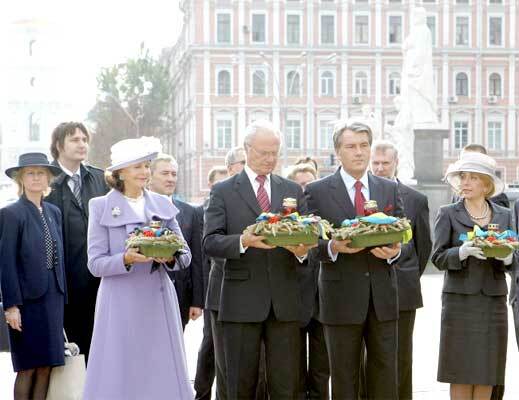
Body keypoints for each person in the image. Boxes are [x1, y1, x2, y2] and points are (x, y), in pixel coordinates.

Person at [203, 120, 314, 399]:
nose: (270, 159)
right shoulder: (224, 191)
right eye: (263, 152)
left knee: (285, 386)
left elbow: (309, 239)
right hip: (240, 302)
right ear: (246, 150)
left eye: (274, 152)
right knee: (239, 384)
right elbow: (210, 242)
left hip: (285, 303)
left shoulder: (292, 190)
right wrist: (243, 241)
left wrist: (302, 252)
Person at [82, 137, 193, 399]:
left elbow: (185, 255)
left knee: (160, 368)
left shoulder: (163, 204)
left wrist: (168, 257)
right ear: (120, 173)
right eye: (137, 167)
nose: (145, 172)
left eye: (146, 166)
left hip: (157, 300)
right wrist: (126, 259)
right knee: (119, 369)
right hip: (119, 302)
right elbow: (95, 263)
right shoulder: (100, 207)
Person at [305, 120, 404, 400]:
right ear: (338, 151)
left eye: (364, 146)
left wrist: (395, 252)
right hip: (340, 299)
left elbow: (404, 237)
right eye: (351, 146)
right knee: (344, 379)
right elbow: (309, 246)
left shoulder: (389, 188)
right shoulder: (317, 191)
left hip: (383, 299)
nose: (359, 152)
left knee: (385, 377)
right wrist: (332, 247)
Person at [431, 151, 516, 400]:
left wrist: (508, 257)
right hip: (460, 303)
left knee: (487, 371)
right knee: (460, 370)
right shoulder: (448, 213)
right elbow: (437, 257)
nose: (465, 183)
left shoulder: (504, 215)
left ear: (486, 184)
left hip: (493, 302)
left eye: (473, 178)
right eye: (463, 177)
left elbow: (514, 258)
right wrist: (461, 252)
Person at [369, 141, 432, 400]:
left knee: (401, 356)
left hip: (402, 291)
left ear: (396, 163)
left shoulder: (415, 199)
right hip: (365, 288)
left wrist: (405, 274)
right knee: (368, 356)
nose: (380, 168)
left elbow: (423, 247)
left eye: (386, 163)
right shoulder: (360, 196)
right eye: (376, 163)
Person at [0, 153, 66, 400]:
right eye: (30, 173)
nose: (36, 177)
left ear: (48, 177)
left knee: (47, 365)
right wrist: (11, 306)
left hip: (53, 298)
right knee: (28, 367)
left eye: (41, 173)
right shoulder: (11, 214)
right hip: (27, 302)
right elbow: (6, 263)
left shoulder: (53, 212)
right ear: (21, 178)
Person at [45, 121, 108, 362]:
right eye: (74, 139)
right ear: (59, 145)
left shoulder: (100, 179)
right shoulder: (46, 181)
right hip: (62, 283)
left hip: (98, 280)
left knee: (98, 349)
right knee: (67, 356)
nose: (82, 144)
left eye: (84, 139)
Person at [287, 163, 330, 400]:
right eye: (301, 184)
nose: (305, 189)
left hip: (323, 303)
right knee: (292, 370)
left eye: (309, 184)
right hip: (293, 303)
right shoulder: (285, 221)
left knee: (321, 371)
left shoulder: (324, 218)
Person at [149, 154, 204, 330]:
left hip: (180, 296)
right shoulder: (140, 208)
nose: (171, 178)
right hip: (146, 293)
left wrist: (197, 301)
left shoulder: (190, 212)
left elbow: (196, 259)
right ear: (149, 176)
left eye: (174, 174)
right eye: (165, 173)